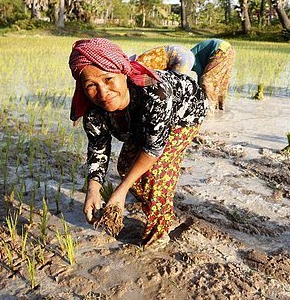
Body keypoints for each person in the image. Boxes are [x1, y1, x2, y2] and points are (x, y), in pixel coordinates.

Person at [69, 38, 208, 248]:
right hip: (143, 121)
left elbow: (153, 149)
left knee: (157, 174)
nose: (103, 92)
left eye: (108, 79)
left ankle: (158, 234)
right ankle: (151, 204)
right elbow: (98, 147)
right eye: (91, 85)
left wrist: (121, 191)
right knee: (125, 166)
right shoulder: (93, 112)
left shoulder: (156, 95)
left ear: (123, 72)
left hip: (184, 114)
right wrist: (93, 189)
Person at [190, 39, 235, 111]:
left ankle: (210, 110)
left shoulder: (189, 59)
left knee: (206, 81)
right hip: (229, 49)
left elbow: (202, 78)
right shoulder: (189, 55)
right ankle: (220, 109)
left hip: (219, 51)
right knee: (222, 83)